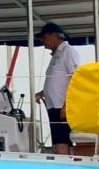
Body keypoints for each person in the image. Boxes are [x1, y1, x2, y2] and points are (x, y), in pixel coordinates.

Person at [33, 22, 79, 156]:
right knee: (58, 140)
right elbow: (58, 79)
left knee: (61, 141)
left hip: (61, 105)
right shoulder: (56, 54)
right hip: (53, 105)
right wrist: (43, 92)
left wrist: (67, 103)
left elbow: (75, 76)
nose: (42, 41)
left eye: (44, 37)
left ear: (54, 35)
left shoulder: (68, 51)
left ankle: (65, 168)